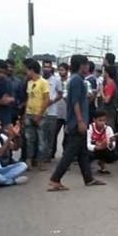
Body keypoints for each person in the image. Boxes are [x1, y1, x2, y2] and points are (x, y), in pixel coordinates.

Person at [48, 55, 106, 191]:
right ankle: (55, 179)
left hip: (79, 121)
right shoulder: (76, 81)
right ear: (81, 65)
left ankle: (89, 178)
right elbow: (74, 102)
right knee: (70, 152)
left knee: (82, 153)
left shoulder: (77, 80)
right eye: (86, 65)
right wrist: (80, 121)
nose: (88, 67)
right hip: (76, 122)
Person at [23, 60, 50, 171]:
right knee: (29, 139)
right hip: (29, 113)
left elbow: (46, 99)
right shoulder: (29, 83)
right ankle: (29, 160)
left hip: (40, 115)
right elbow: (28, 98)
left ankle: (41, 161)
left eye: (27, 70)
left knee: (41, 139)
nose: (26, 72)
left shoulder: (43, 82)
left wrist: (39, 114)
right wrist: (25, 113)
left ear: (32, 70)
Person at [49, 63, 69, 160]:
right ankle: (51, 153)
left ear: (67, 70)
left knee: (67, 135)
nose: (61, 72)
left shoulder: (70, 81)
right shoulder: (56, 80)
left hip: (67, 112)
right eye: (59, 70)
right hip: (56, 112)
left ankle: (66, 154)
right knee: (53, 133)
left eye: (63, 70)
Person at [87, 110, 118, 175]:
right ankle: (87, 167)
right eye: (100, 120)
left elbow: (112, 146)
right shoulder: (90, 128)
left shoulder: (108, 129)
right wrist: (97, 147)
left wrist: (110, 143)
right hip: (93, 148)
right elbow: (87, 144)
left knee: (112, 155)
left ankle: (102, 166)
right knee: (87, 153)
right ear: (94, 120)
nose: (102, 123)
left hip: (103, 148)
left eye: (104, 120)